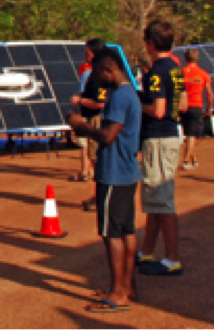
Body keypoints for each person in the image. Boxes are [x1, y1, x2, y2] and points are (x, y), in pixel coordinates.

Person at [67, 47, 142, 313]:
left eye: (98, 73)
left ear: (109, 70)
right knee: (127, 230)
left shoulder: (119, 97)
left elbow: (108, 135)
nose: (95, 79)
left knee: (111, 233)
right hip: (128, 170)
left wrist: (80, 125)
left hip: (115, 172)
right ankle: (126, 286)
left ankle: (119, 293)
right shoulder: (127, 93)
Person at [136, 20, 185, 277]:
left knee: (162, 198)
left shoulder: (157, 72)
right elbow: (183, 104)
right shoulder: (176, 69)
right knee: (155, 197)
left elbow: (158, 110)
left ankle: (172, 258)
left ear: (151, 43)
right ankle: (147, 251)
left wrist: (137, 101)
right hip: (170, 134)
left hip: (159, 137)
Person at [70, 39, 107, 185]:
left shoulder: (100, 75)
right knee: (92, 155)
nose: (85, 55)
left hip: (96, 119)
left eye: (88, 53)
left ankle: (101, 190)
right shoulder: (91, 74)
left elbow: (100, 103)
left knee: (96, 156)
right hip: (90, 117)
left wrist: (80, 101)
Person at [180, 49, 214, 170]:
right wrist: (209, 108)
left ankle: (194, 158)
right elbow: (209, 94)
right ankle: (186, 160)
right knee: (193, 135)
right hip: (196, 106)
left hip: (182, 107)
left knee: (189, 133)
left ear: (186, 59)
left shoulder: (181, 73)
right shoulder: (203, 73)